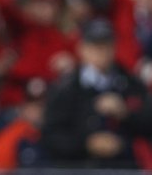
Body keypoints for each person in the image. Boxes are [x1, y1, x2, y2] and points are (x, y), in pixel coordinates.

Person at [41, 18, 152, 169]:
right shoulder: (65, 88)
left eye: (106, 45)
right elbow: (50, 136)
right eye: (95, 46)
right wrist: (87, 144)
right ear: (82, 49)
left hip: (124, 166)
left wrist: (125, 113)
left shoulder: (131, 84)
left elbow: (147, 124)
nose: (102, 52)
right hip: (79, 168)